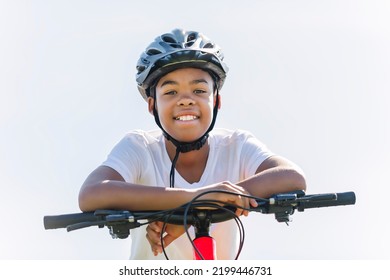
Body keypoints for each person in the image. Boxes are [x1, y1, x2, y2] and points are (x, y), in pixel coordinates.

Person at [78, 28, 306, 260]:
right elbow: (91, 194)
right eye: (171, 91)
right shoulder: (139, 147)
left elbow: (292, 177)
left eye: (199, 90)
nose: (186, 99)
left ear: (216, 100)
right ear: (152, 105)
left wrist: (209, 202)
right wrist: (196, 199)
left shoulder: (236, 145)